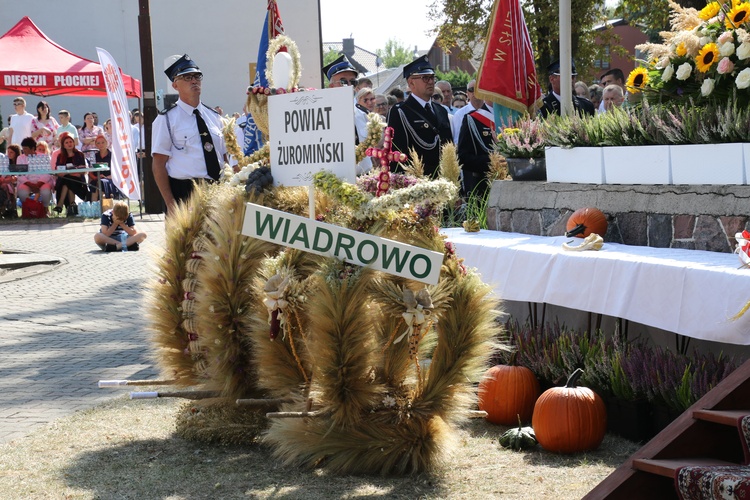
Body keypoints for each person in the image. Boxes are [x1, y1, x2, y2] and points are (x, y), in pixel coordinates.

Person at [151, 54, 228, 213]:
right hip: (184, 192)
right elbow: (158, 164)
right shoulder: (166, 119)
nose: (194, 81)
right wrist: (170, 203)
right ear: (175, 85)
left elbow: (224, 157)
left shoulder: (214, 117)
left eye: (197, 76)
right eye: (187, 77)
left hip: (217, 190)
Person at [386, 56, 453, 178]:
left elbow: (449, 147)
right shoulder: (400, 111)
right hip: (417, 183)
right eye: (425, 78)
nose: (431, 82)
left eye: (432, 77)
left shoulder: (441, 110)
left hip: (443, 181)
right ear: (411, 82)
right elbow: (396, 153)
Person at [457, 94, 495, 199]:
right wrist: (492, 161)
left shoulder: (515, 117)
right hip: (484, 189)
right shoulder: (472, 119)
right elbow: (463, 158)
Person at [53, 132, 89, 216]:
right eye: (66, 142)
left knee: (68, 181)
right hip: (65, 179)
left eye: (71, 142)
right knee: (67, 182)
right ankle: (71, 205)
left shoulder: (80, 154)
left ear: (73, 143)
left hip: (78, 180)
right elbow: (58, 170)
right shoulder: (60, 156)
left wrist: (73, 173)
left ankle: (60, 204)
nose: (69, 144)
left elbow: (83, 170)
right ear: (63, 145)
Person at [16, 139, 55, 208]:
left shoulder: (44, 157)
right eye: (23, 148)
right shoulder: (20, 158)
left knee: (46, 191)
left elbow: (47, 173)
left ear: (33, 148)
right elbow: (20, 175)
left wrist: (39, 184)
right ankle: (28, 209)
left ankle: (44, 209)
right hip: (27, 182)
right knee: (22, 192)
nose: (23, 150)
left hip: (42, 182)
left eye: (26, 148)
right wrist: (30, 184)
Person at [89, 135, 116, 201]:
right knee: (97, 183)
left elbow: (117, 171)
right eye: (98, 143)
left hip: (109, 179)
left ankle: (99, 205)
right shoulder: (94, 157)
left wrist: (108, 177)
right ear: (96, 145)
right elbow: (90, 172)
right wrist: (96, 177)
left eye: (103, 142)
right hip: (97, 179)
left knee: (100, 183)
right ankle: (96, 206)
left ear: (107, 143)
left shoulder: (112, 156)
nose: (101, 145)